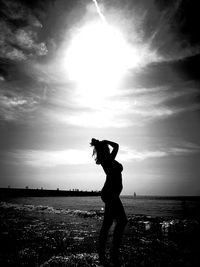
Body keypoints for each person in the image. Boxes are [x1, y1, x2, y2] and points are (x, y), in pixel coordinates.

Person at [90, 138, 127, 267]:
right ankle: (112, 252)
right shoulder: (108, 159)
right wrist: (106, 141)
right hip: (110, 193)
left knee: (110, 222)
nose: (108, 148)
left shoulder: (108, 159)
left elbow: (115, 147)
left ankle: (107, 252)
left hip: (111, 193)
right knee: (120, 221)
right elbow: (116, 146)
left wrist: (104, 142)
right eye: (106, 147)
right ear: (104, 149)